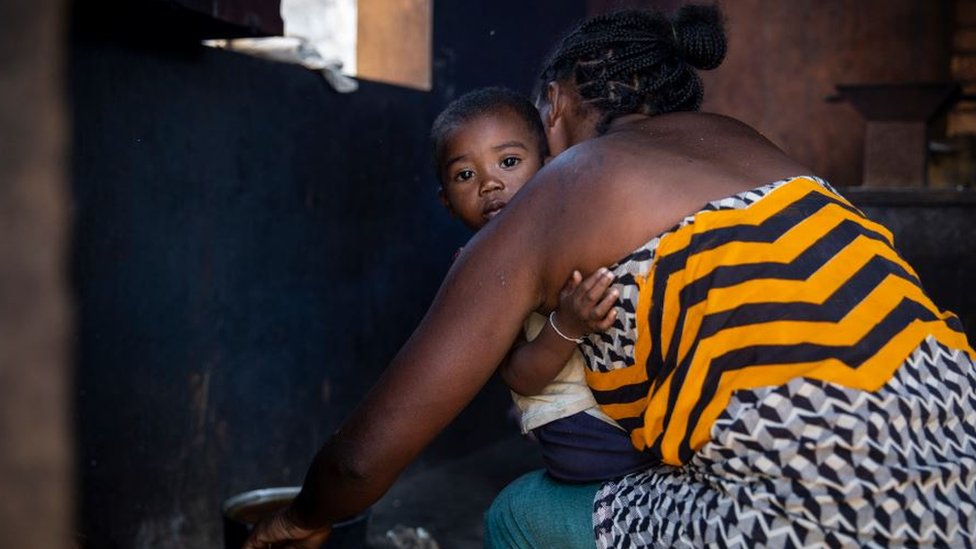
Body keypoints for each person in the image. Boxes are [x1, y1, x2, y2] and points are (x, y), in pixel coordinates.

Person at [246, 4, 976, 549]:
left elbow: (361, 458)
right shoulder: (757, 148)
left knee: (518, 513)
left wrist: (301, 515)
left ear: (555, 107)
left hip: (829, 517)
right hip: (962, 478)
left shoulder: (570, 182)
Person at [431, 87, 655, 482]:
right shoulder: (478, 268)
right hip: (582, 432)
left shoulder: (574, 229)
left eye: (509, 161)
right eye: (466, 174)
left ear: (550, 166)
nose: (490, 184)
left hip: (627, 416)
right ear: (446, 201)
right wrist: (567, 325)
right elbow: (521, 376)